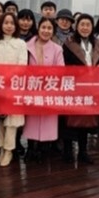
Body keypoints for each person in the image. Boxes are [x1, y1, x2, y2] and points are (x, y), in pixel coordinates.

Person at [62, 13, 99, 164]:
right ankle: (67, 151)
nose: (85, 28)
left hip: (90, 87)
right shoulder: (68, 43)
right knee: (69, 119)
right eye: (82, 24)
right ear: (76, 26)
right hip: (73, 86)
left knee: (85, 120)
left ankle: (83, 152)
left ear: (92, 27)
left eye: (88, 25)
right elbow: (64, 65)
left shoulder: (97, 44)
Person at [0, 12, 28, 167]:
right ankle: (0, 148)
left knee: (11, 122)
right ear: (1, 24)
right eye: (6, 23)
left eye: (12, 23)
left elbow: (22, 65)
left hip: (13, 86)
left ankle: (9, 150)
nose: (9, 26)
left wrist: (9, 79)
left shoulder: (20, 43)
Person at [23, 17, 64, 162]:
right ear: (38, 28)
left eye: (49, 28)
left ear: (53, 31)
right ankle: (30, 149)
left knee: (47, 121)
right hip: (30, 89)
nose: (46, 31)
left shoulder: (57, 49)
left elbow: (61, 70)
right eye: (43, 27)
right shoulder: (26, 46)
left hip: (49, 90)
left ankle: (43, 149)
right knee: (31, 120)